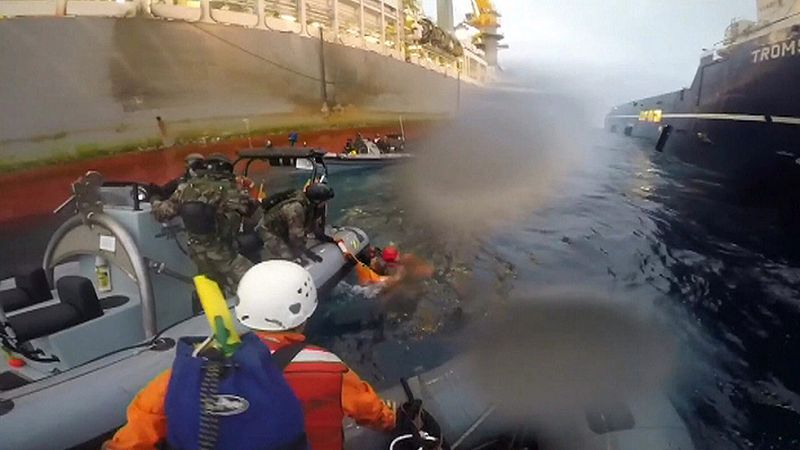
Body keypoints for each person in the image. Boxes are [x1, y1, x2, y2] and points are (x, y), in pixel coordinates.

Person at [104, 261, 396, 450]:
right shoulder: (329, 368)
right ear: (305, 313)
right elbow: (372, 414)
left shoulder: (193, 372)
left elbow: (133, 437)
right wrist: (393, 418)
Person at [151, 153, 255, 295]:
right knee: (255, 282)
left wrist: (155, 199)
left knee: (212, 290)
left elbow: (162, 213)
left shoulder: (186, 188)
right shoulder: (230, 190)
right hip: (224, 252)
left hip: (197, 254)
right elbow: (250, 211)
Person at [256, 182, 335, 261]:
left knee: (297, 248)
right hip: (270, 230)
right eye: (324, 201)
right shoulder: (296, 209)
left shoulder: (310, 204)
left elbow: (312, 223)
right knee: (289, 256)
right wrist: (306, 252)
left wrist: (321, 236)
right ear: (317, 201)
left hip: (284, 227)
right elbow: (295, 235)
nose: (325, 203)